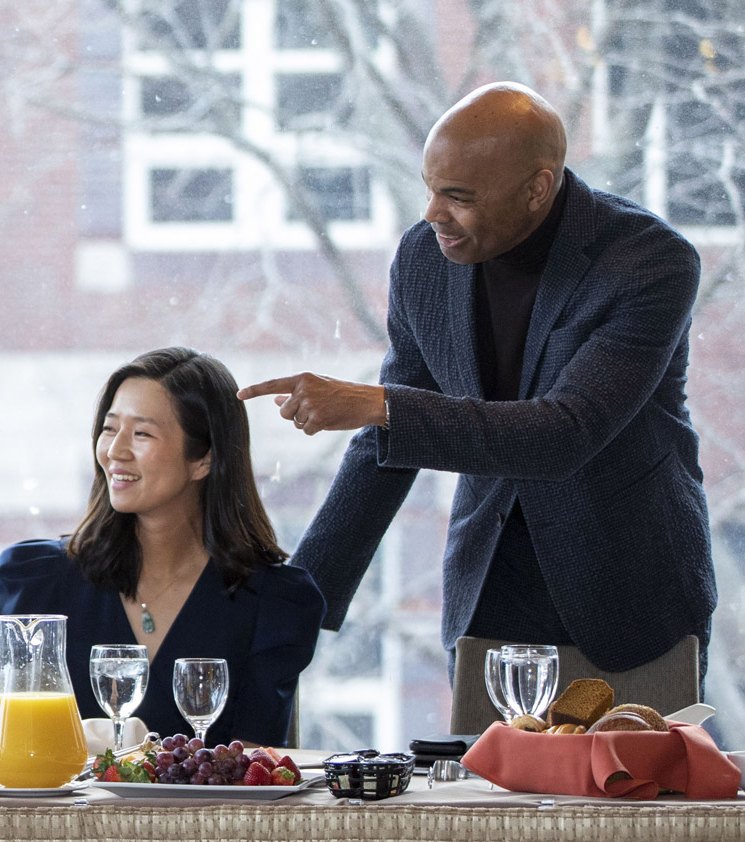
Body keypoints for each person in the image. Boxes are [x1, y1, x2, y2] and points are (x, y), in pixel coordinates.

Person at [242, 83, 716, 733]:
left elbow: (564, 432)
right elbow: (382, 444)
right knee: (491, 828)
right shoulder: (422, 260)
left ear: (537, 188)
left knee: (635, 823)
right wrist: (301, 594)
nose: (434, 212)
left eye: (459, 197)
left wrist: (379, 405)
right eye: (431, 188)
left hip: (632, 607)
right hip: (490, 607)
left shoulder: (647, 262)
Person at [0, 348, 325, 748]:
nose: (114, 451)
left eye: (141, 433)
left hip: (211, 814)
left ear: (204, 459)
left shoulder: (275, 602)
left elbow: (252, 764)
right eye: (110, 429)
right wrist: (92, 739)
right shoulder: (34, 580)